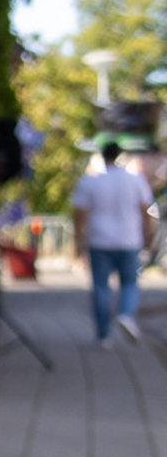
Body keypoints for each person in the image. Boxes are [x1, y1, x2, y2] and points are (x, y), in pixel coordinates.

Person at [70, 140, 156, 346]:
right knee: (130, 283)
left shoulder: (90, 181)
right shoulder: (135, 180)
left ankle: (104, 335)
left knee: (101, 287)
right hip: (129, 240)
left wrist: (79, 242)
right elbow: (146, 211)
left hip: (99, 240)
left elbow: (80, 215)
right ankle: (126, 314)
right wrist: (150, 236)